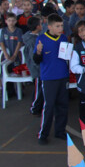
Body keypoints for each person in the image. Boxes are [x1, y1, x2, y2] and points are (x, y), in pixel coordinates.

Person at [33, 14, 69, 145]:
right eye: (57, 26)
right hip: (49, 78)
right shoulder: (41, 39)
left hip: (63, 76)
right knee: (49, 106)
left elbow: (67, 56)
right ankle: (43, 133)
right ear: (49, 27)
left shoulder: (64, 38)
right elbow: (36, 60)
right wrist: (38, 52)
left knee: (63, 105)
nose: (60, 28)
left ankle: (60, 131)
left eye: (61, 26)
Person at [22, 16, 43, 115]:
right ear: (38, 26)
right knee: (38, 90)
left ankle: (37, 105)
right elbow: (33, 57)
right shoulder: (32, 41)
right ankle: (35, 107)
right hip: (37, 69)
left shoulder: (31, 37)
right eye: (41, 23)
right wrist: (38, 67)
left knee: (39, 88)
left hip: (38, 68)